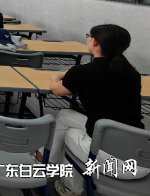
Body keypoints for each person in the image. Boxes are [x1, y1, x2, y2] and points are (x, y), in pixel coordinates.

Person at [36, 25, 147, 196]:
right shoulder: (133, 74)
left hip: (115, 163)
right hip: (142, 159)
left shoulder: (83, 72)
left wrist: (55, 76)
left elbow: (57, 90)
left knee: (69, 134)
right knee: (64, 116)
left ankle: (70, 188)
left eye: (89, 36)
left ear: (94, 41)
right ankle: (45, 158)